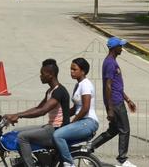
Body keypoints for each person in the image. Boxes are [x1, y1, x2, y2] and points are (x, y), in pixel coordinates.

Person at [4, 58, 71, 167]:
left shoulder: (59, 91)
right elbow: (38, 107)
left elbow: (42, 111)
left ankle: (29, 165)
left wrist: (18, 116)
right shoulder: (50, 91)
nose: (40, 76)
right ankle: (26, 161)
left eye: (42, 73)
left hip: (57, 130)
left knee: (22, 137)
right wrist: (15, 114)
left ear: (51, 74)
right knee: (16, 131)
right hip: (50, 127)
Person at [90, 37, 138, 167]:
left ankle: (88, 148)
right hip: (115, 103)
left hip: (117, 99)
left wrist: (128, 100)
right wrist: (110, 108)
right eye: (120, 46)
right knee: (125, 130)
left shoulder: (112, 62)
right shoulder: (110, 63)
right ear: (114, 48)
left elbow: (116, 86)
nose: (122, 49)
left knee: (114, 130)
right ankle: (122, 159)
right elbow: (108, 86)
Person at [52, 57, 100, 165]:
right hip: (81, 121)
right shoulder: (78, 85)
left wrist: (73, 121)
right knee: (57, 141)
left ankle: (69, 163)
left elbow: (85, 108)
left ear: (83, 71)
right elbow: (75, 108)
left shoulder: (86, 85)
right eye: (70, 69)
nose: (71, 72)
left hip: (88, 122)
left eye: (74, 69)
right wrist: (60, 116)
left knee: (57, 135)